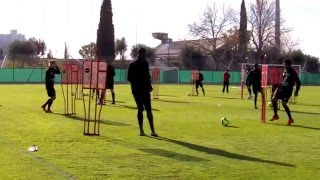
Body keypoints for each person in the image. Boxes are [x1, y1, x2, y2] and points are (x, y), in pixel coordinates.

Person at [127, 48, 158, 137]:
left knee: (140, 109)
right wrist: (148, 86)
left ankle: (142, 130)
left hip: (136, 90)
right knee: (148, 109)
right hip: (144, 89)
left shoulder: (132, 64)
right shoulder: (145, 63)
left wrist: (136, 84)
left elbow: (129, 78)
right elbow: (147, 76)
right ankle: (152, 130)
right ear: (142, 53)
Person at [270, 59, 301, 125]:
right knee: (273, 99)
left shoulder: (293, 72)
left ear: (287, 64)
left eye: (284, 64)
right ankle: (275, 115)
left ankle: (290, 119)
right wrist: (280, 84)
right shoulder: (285, 70)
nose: (283, 65)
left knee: (283, 104)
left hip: (288, 91)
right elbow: (284, 80)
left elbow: (298, 82)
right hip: (282, 88)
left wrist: (296, 91)